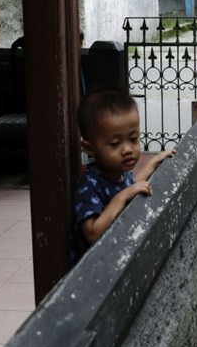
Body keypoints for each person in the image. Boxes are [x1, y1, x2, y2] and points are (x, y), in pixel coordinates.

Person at [69, 87, 175, 266]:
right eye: (115, 143)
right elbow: (93, 233)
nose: (127, 150)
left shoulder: (119, 172)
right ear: (89, 148)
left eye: (133, 139)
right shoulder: (89, 185)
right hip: (93, 273)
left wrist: (154, 162)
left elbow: (132, 185)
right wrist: (122, 197)